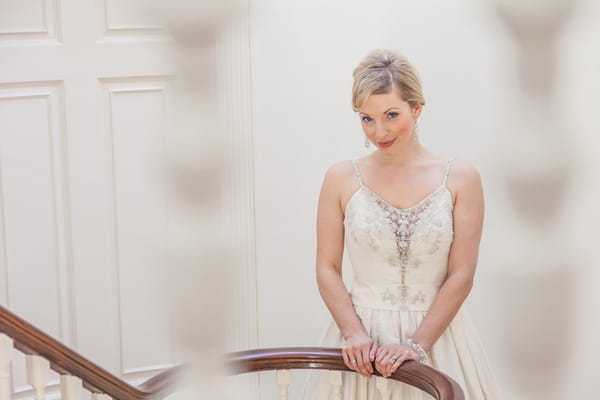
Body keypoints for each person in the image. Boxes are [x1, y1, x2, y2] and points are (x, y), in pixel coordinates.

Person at [301, 49, 501, 399]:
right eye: (367, 118)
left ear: (417, 108)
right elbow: (327, 268)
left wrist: (417, 346)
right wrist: (353, 333)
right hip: (362, 341)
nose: (379, 131)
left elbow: (462, 274)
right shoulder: (341, 178)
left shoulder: (461, 178)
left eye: (391, 115)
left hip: (439, 337)